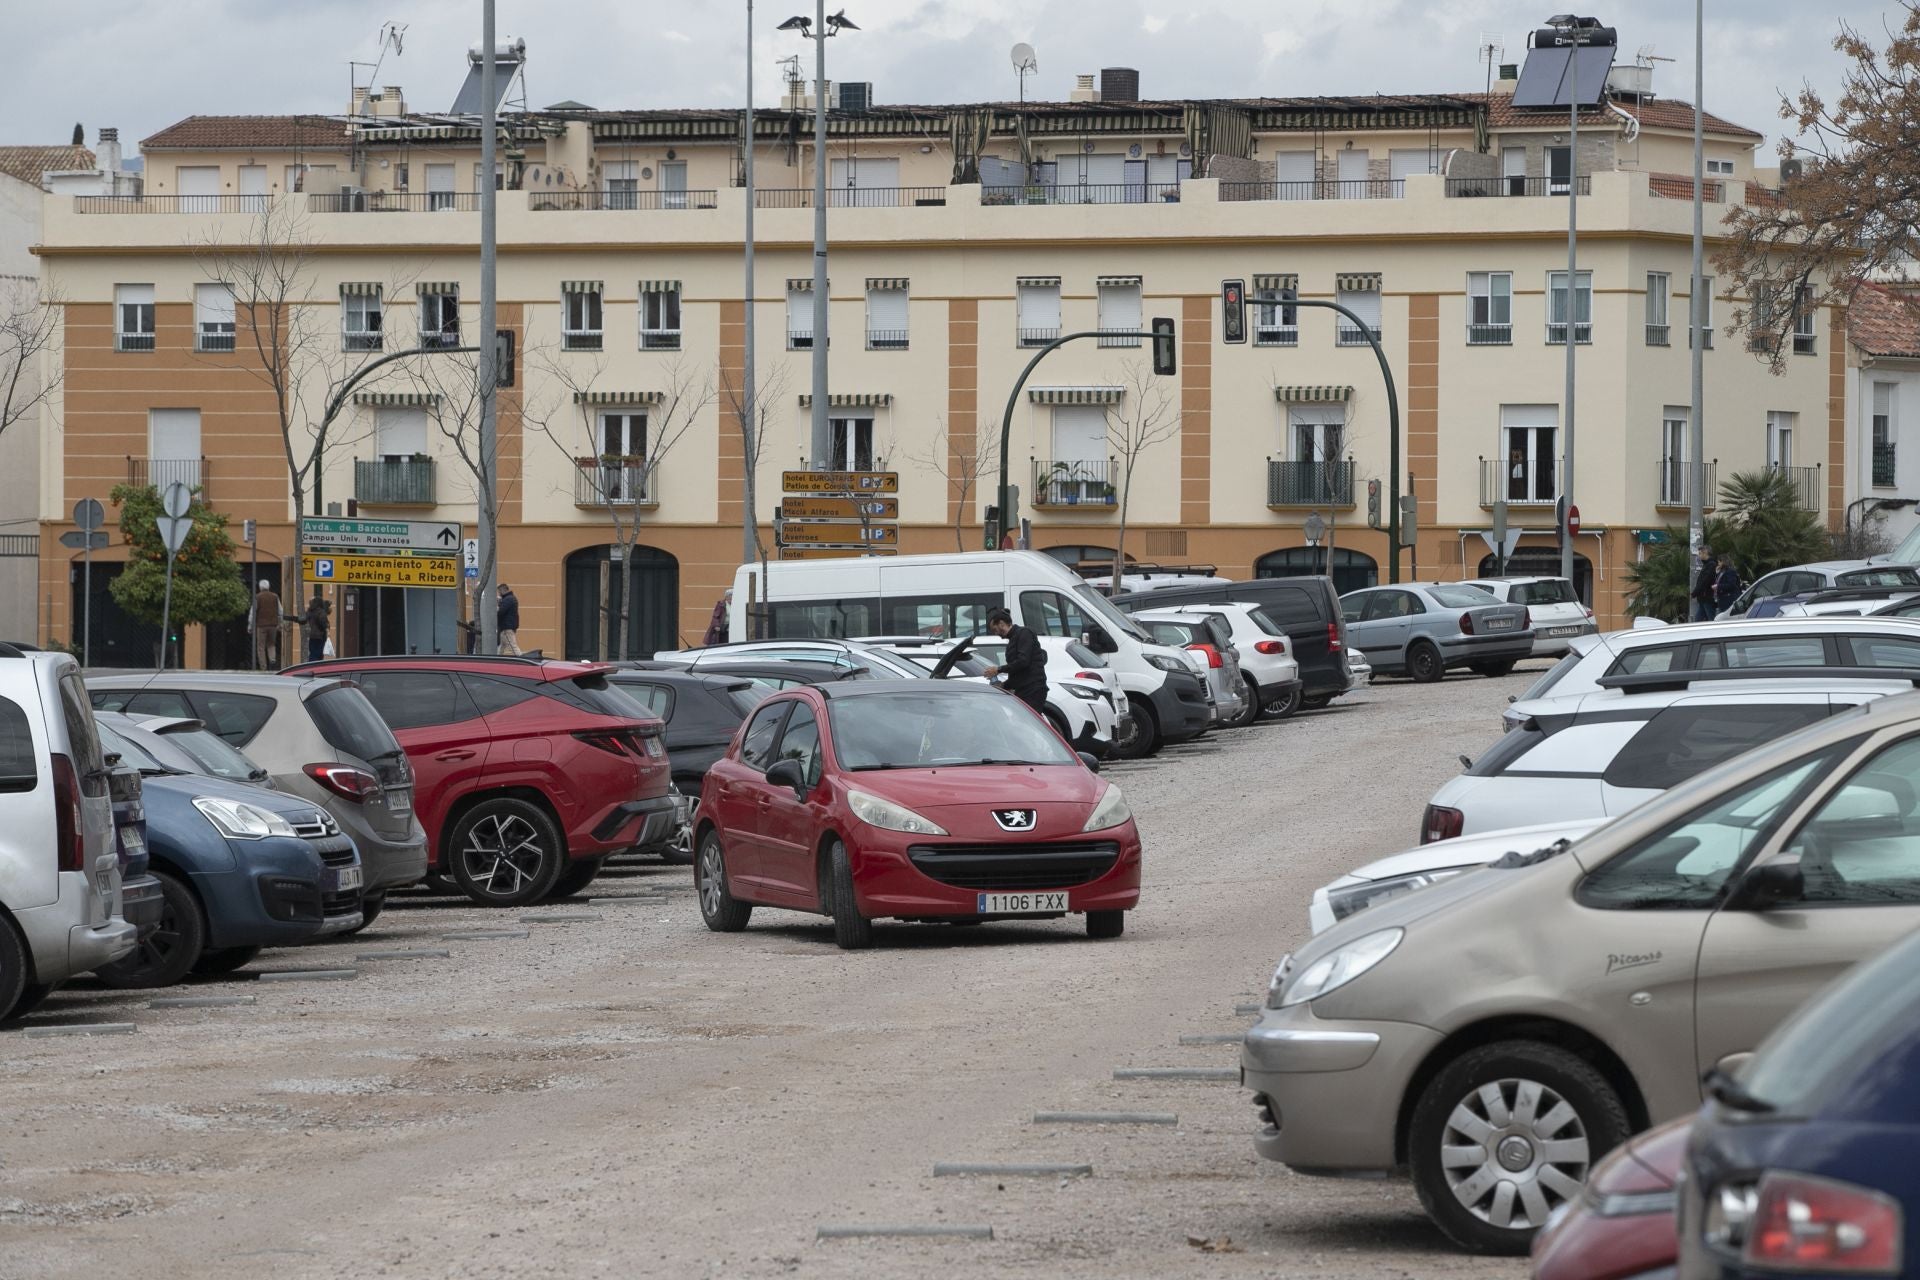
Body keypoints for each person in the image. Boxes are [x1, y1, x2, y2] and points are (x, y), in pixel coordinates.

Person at [981, 606, 1048, 715]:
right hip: (1024, 690)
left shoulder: (1024, 633)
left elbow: (1023, 662)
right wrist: (1004, 685)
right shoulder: (1013, 639)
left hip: (1033, 690)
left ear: (1001, 624)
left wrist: (998, 670)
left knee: (1028, 723)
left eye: (995, 629)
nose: (995, 633)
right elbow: (1017, 672)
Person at [252, 579, 282, 670]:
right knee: (271, 644)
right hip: (273, 625)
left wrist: (250, 625)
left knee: (261, 646)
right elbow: (280, 611)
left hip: (261, 625)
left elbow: (253, 612)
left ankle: (263, 666)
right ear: (268, 587)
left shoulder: (258, 597)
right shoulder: (275, 596)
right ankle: (272, 659)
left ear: (260, 587)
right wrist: (280, 623)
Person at [296, 589, 330, 663]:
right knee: (319, 654)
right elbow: (323, 622)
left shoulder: (310, 611)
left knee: (313, 653)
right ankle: (317, 667)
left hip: (312, 636)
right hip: (320, 636)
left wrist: (294, 619)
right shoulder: (321, 612)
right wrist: (327, 627)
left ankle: (311, 665)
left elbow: (303, 620)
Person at [1691, 547, 1718, 622]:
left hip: (1707, 596)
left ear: (1705, 553)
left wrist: (1694, 593)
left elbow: (1704, 581)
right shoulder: (1707, 565)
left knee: (1711, 619)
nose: (1698, 556)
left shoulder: (1711, 565)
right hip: (1703, 597)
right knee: (1698, 620)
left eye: (1700, 553)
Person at [496, 583, 521, 655]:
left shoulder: (508, 599)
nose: (498, 593)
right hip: (507, 627)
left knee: (512, 647)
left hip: (507, 628)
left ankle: (523, 660)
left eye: (499, 591)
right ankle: (497, 661)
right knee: (501, 647)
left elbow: (500, 611)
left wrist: (497, 606)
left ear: (502, 590)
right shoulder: (510, 598)